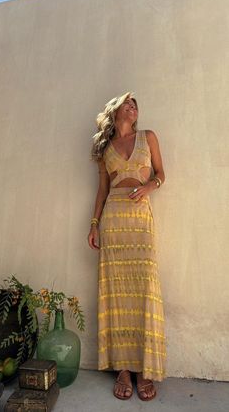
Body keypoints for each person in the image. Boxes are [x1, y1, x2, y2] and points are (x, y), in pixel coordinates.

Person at [88, 92, 167, 401]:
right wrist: (94, 224)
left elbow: (162, 173)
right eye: (128, 103)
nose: (133, 107)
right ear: (115, 109)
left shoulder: (148, 137)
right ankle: (122, 369)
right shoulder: (105, 149)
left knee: (146, 288)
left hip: (140, 219)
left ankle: (145, 369)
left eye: (136, 104)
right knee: (116, 294)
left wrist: (150, 186)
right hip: (114, 219)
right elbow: (102, 190)